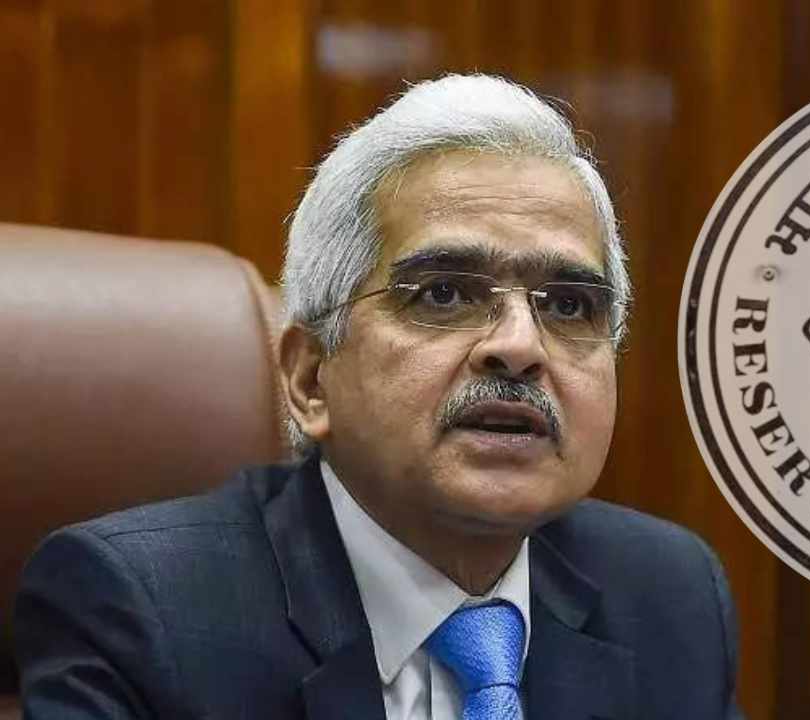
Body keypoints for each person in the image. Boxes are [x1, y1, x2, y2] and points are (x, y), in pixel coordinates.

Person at [14, 74, 743, 719]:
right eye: (445, 294)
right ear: (310, 378)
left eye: (568, 305)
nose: (521, 345)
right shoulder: (142, 611)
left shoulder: (667, 597)